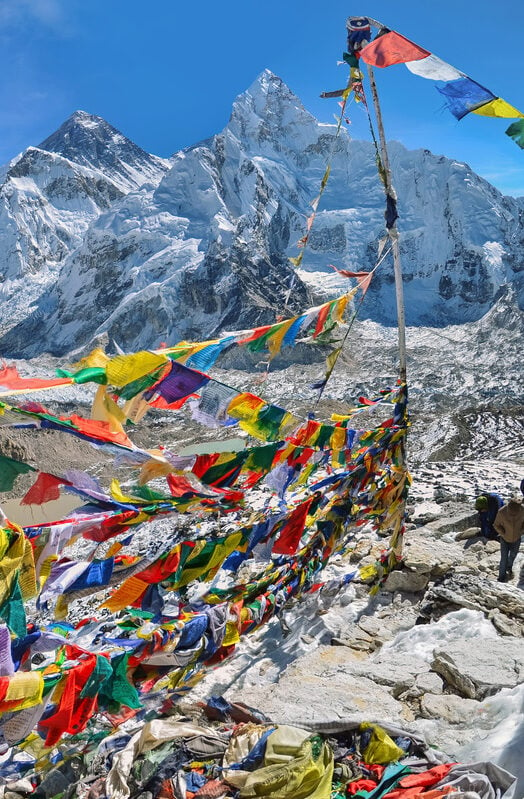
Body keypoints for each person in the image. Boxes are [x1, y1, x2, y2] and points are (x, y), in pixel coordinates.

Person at [493, 496, 524, 582]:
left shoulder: (522, 510)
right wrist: (503, 533)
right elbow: (496, 525)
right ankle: (501, 577)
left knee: (513, 555)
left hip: (517, 538)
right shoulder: (502, 512)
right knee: (504, 558)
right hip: (504, 538)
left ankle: (509, 568)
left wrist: (521, 531)